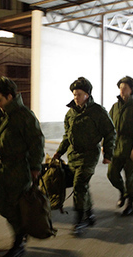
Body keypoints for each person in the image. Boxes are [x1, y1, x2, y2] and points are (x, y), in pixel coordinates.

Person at [0, 77, 45, 257]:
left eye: (0, 100)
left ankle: (18, 240)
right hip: (3, 169)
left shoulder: (24, 116)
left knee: (13, 206)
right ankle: (21, 231)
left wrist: (35, 167)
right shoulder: (2, 115)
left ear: (10, 97)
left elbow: (37, 142)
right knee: (2, 205)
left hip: (19, 170)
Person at [53, 77, 116, 235]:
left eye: (79, 94)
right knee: (81, 186)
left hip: (89, 155)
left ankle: (80, 220)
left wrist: (108, 153)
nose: (76, 97)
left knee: (80, 185)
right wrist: (59, 152)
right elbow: (67, 135)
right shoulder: (70, 113)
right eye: (74, 94)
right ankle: (89, 214)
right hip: (73, 155)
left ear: (87, 95)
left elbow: (110, 132)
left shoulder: (98, 112)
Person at [107, 76, 133, 216]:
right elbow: (108, 128)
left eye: (125, 88)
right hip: (115, 147)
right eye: (120, 88)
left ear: (131, 90)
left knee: (129, 177)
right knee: (111, 174)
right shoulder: (114, 107)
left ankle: (130, 203)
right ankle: (123, 192)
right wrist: (105, 145)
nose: (122, 90)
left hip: (129, 147)